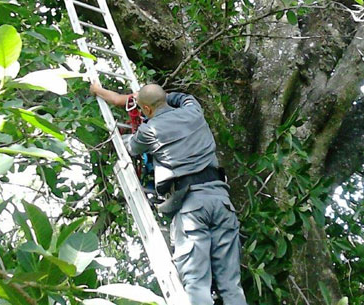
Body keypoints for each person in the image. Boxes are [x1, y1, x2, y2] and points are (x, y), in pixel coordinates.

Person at [90, 82, 248, 305]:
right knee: (231, 286)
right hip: (222, 202)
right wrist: (161, 96)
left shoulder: (149, 131)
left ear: (147, 110)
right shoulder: (193, 110)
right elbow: (183, 97)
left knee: (197, 284)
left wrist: (119, 129)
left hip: (192, 207)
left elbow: (131, 147)